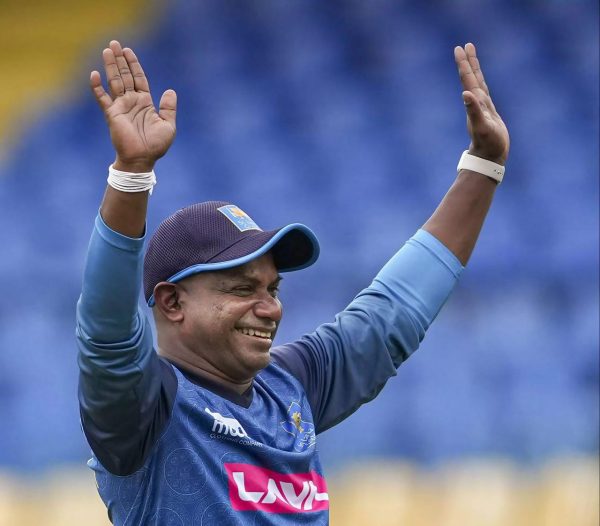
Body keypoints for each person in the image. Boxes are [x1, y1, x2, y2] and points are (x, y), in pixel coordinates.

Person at [76, 40, 509, 525]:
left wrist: (483, 167)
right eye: (243, 289)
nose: (270, 308)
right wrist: (132, 175)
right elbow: (106, 332)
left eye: (273, 289)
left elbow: (390, 315)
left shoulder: (288, 386)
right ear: (172, 302)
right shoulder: (142, 410)